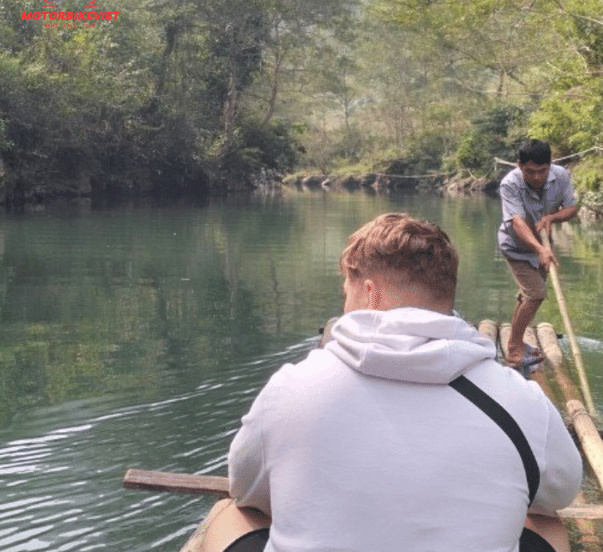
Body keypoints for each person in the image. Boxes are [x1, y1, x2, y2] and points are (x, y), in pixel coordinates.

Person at [209, 213, 582, 552]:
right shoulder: (520, 399)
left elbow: (244, 490)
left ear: (370, 295)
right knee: (548, 526)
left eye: (346, 294)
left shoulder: (291, 388)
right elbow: (560, 494)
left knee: (230, 515)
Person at [498, 140, 578, 372]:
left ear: (550, 165)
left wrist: (552, 218)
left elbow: (571, 208)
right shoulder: (509, 184)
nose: (536, 177)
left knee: (528, 295)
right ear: (519, 165)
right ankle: (514, 351)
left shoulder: (560, 175)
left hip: (544, 244)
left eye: (542, 171)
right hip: (516, 246)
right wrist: (540, 249)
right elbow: (517, 222)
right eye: (529, 171)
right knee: (535, 294)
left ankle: (517, 339)